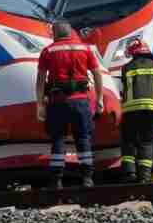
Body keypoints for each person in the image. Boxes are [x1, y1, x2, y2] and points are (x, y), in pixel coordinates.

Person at [36, 20, 103, 189]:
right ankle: (87, 178)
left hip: (57, 102)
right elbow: (97, 74)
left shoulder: (48, 51)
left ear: (55, 33)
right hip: (80, 101)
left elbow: (40, 80)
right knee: (83, 139)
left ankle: (57, 180)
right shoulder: (85, 48)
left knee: (58, 139)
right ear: (70, 32)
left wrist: (39, 104)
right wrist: (100, 98)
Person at [118, 40, 153, 183]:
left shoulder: (126, 68)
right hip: (152, 110)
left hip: (131, 111)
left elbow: (124, 89)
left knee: (128, 141)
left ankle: (129, 173)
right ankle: (145, 177)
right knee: (147, 142)